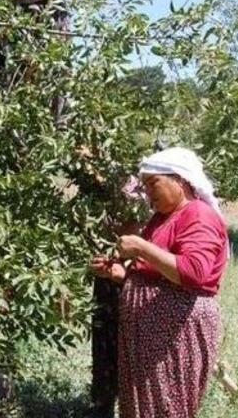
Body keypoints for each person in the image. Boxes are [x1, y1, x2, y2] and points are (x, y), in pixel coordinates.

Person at [90, 147, 229, 418]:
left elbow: (194, 272)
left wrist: (141, 247)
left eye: (153, 183)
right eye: (144, 186)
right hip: (149, 332)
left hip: (175, 330)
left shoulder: (198, 215)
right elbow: (158, 273)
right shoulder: (163, 218)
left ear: (180, 180)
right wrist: (121, 275)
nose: (147, 192)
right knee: (143, 406)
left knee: (166, 406)